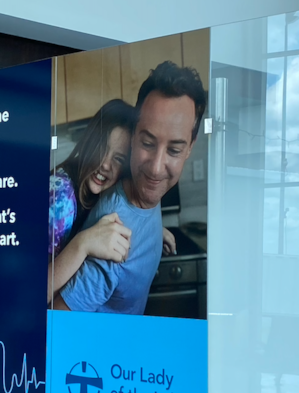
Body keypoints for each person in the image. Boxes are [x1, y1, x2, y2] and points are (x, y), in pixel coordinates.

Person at [54, 61, 206, 315]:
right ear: (135, 137)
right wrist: (83, 244)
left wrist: (154, 231)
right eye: (148, 143)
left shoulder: (140, 188)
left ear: (190, 147)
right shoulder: (66, 202)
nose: (156, 169)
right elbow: (55, 319)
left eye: (174, 150)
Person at [48, 98, 175, 303]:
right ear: (89, 143)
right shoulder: (61, 197)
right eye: (102, 149)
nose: (105, 165)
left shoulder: (96, 194)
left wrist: (153, 230)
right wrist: (83, 243)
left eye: (118, 159)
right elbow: (33, 292)